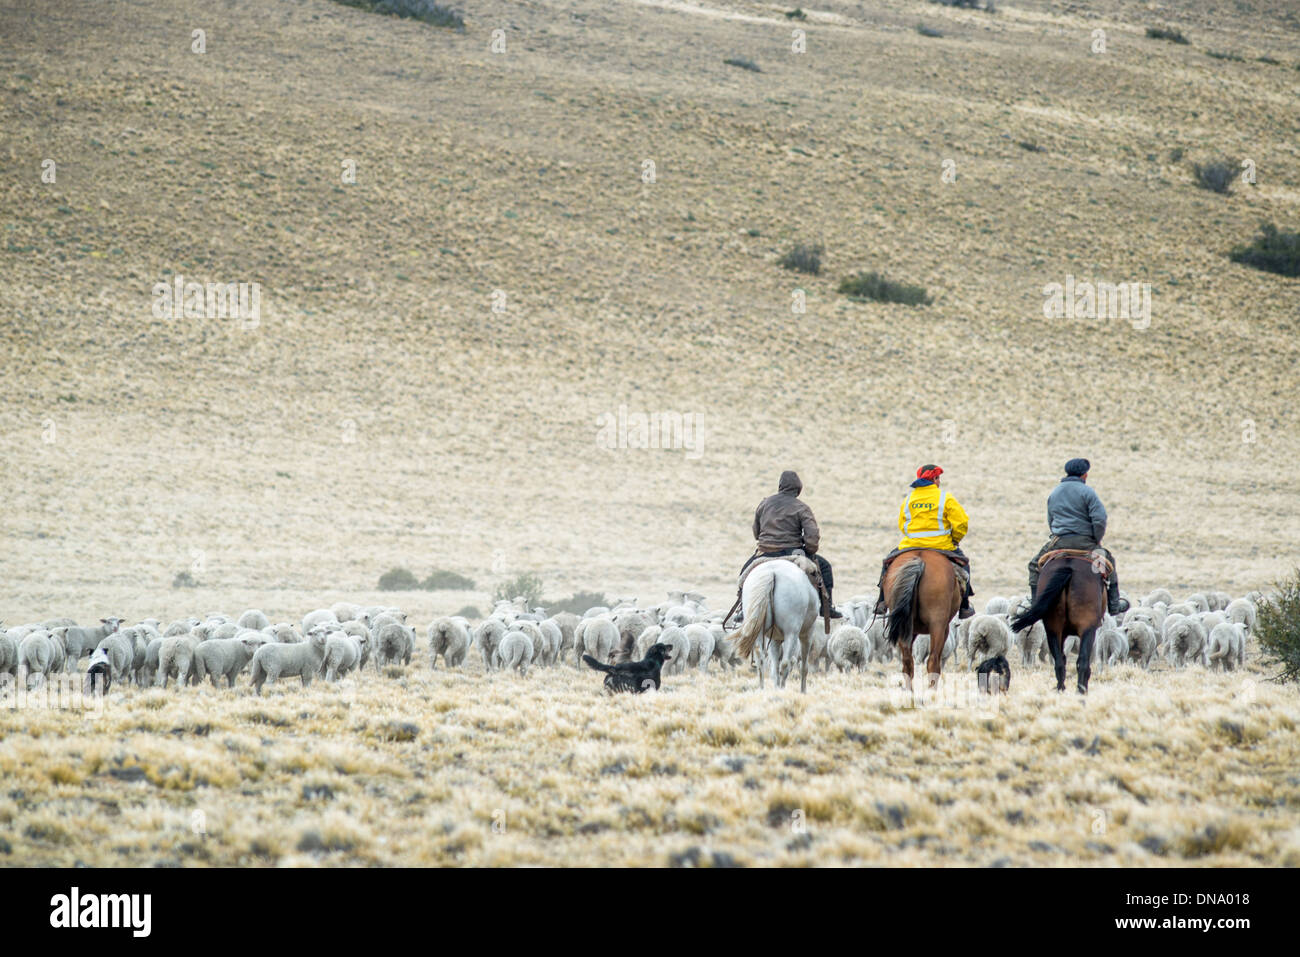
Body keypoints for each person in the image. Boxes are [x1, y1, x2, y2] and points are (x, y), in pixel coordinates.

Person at [735, 470, 841, 623]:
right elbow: (813, 536)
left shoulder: (764, 503)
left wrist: (766, 541)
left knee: (744, 574)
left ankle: (743, 608)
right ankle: (826, 607)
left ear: (780, 486)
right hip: (792, 552)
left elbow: (756, 532)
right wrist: (809, 550)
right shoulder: (802, 508)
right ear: (798, 489)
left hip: (765, 552)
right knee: (824, 568)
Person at [1027, 458, 1127, 616]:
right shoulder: (1088, 493)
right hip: (1086, 542)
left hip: (1059, 541)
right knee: (1109, 564)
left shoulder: (1055, 492)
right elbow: (1099, 519)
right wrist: (1096, 539)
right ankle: (1114, 606)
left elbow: (1050, 518)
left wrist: (1059, 532)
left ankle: (1035, 604)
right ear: (1085, 475)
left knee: (1034, 565)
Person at [873, 464, 974, 618]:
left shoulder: (909, 499)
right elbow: (961, 523)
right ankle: (964, 606)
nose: (939, 481)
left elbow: (902, 524)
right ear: (934, 479)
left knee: (887, 563)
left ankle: (881, 601)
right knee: (964, 565)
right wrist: (954, 539)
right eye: (938, 478)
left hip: (910, 544)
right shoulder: (945, 498)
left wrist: (914, 536)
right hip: (941, 545)